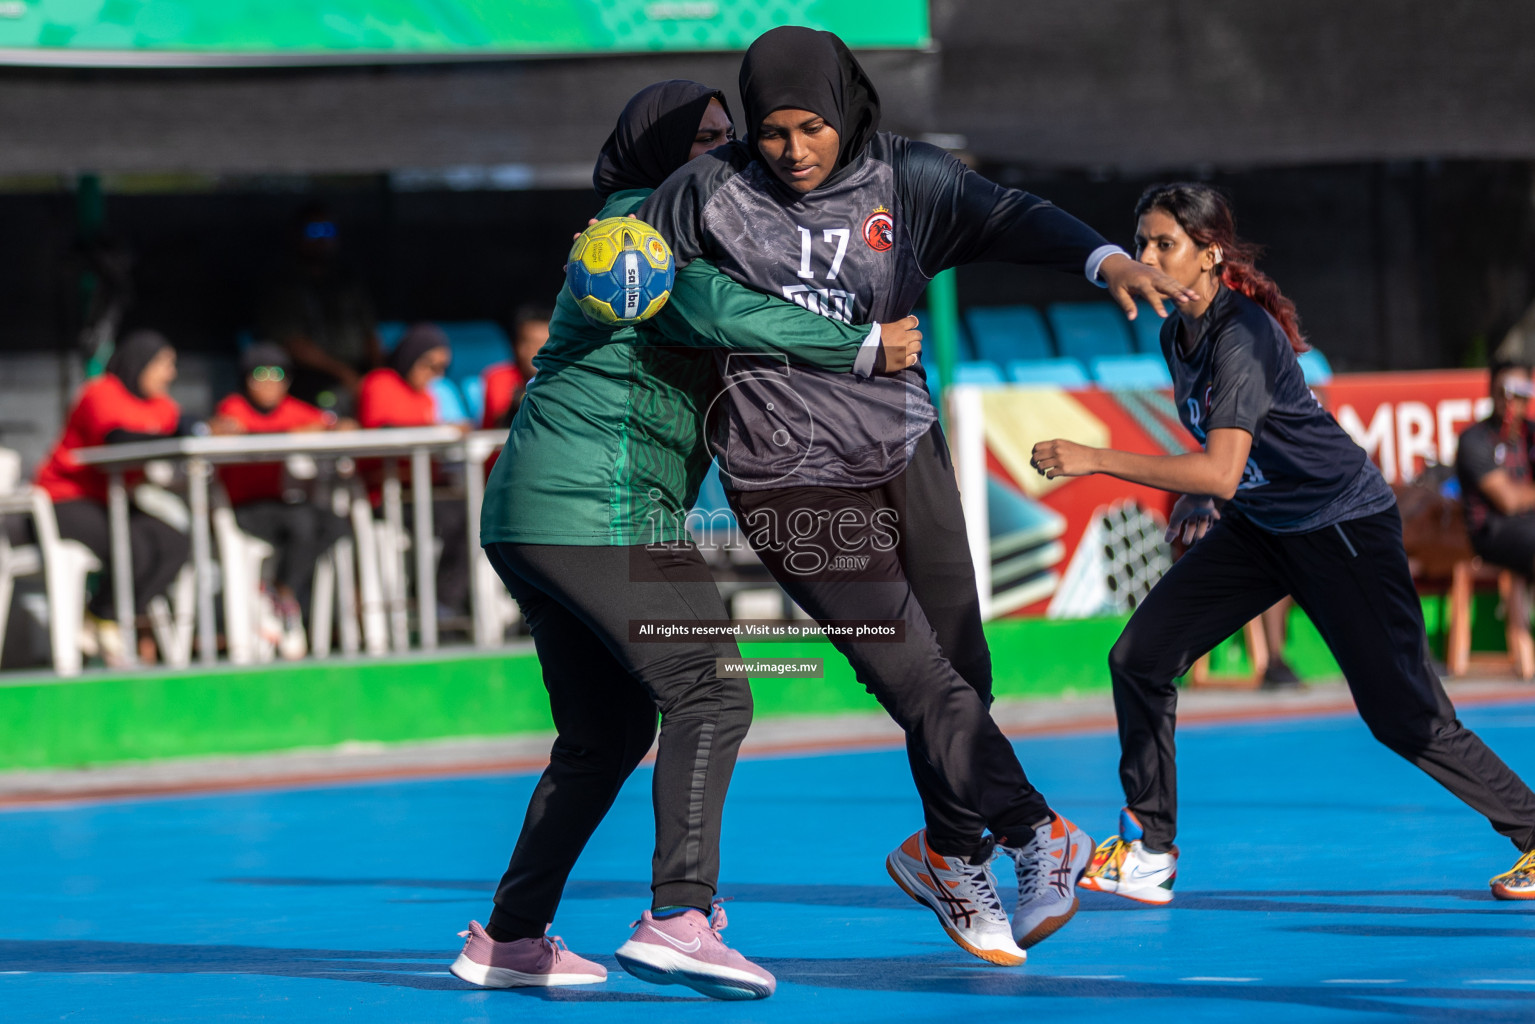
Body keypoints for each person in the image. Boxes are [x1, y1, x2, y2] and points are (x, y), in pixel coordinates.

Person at [637, 26, 1195, 962]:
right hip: (786, 480)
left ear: (845, 110)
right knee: (914, 678)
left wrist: (1106, 261)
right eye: (773, 133)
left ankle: (946, 851)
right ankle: (1035, 831)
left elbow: (1012, 215)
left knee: (962, 671)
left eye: (811, 128)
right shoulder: (704, 192)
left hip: (904, 449)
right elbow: (634, 277)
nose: (794, 152)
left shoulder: (904, 178)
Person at [454, 79, 893, 999]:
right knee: (713, 691)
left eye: (728, 139)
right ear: (653, 147)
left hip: (542, 512)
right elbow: (708, 308)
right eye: (702, 138)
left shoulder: (693, 221)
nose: (724, 154)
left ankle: (509, 938)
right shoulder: (639, 220)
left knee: (603, 737)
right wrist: (857, 343)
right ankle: (680, 918)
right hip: (598, 506)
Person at [1029, 181, 1535, 903]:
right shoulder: (1179, 333)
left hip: (1341, 528)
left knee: (1404, 717)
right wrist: (1203, 495)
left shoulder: (1243, 334)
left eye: (1162, 243)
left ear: (1208, 255)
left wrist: (1097, 457)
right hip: (1263, 526)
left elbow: (1222, 465)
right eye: (1140, 242)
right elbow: (1225, 449)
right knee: (1138, 658)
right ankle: (1149, 848)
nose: (1144, 256)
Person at [33, 330, 191, 665]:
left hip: (116, 498)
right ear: (140, 363)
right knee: (134, 549)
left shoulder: (163, 407)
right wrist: (177, 433)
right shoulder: (101, 392)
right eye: (164, 364)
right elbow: (117, 439)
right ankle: (106, 619)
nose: (170, 374)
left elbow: (181, 431)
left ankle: (103, 615)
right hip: (67, 497)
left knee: (175, 544)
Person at [213, 342, 352, 656]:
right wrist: (295, 433)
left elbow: (331, 424)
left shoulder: (292, 408)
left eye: (277, 375)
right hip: (244, 508)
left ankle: (280, 592)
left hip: (279, 503)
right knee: (303, 521)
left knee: (335, 524)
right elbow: (232, 431)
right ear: (247, 379)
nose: (268, 382)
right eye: (260, 374)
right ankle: (281, 598)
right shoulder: (234, 407)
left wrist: (329, 426)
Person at [356, 324, 470, 619]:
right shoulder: (380, 383)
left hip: (424, 489)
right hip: (389, 493)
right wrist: (438, 431)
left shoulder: (426, 397)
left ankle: (442, 601)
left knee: (477, 514)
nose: (435, 373)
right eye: (429, 364)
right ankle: (434, 602)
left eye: (442, 367)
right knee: (459, 516)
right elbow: (383, 432)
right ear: (410, 357)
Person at [257, 204, 381, 415]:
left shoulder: (347, 281)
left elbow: (370, 335)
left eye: (328, 230)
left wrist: (378, 378)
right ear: (296, 235)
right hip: (307, 384)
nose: (322, 238)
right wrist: (345, 374)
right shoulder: (285, 285)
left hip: (357, 377)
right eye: (314, 231)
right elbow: (293, 343)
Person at [1455, 359, 1535, 577]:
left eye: (1517, 391)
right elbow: (1508, 501)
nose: (1509, 400)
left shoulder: (1531, 433)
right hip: (1492, 532)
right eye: (1503, 391)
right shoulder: (1474, 439)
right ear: (1491, 392)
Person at [481, 304, 552, 429]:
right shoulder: (498, 377)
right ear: (515, 346)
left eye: (545, 344)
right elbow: (500, 420)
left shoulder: (564, 376)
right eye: (530, 343)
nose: (538, 351)